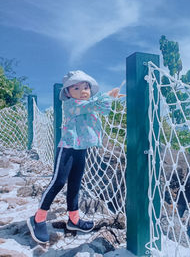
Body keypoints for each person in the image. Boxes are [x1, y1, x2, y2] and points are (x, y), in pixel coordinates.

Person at [27, 70, 124, 244]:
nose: (83, 91)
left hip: (81, 148)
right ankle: (38, 218)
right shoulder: (71, 105)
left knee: (75, 184)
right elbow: (90, 106)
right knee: (58, 181)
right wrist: (107, 95)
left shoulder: (89, 103)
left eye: (86, 87)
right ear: (68, 93)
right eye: (77, 88)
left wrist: (112, 97)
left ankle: (74, 219)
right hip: (68, 147)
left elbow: (101, 108)